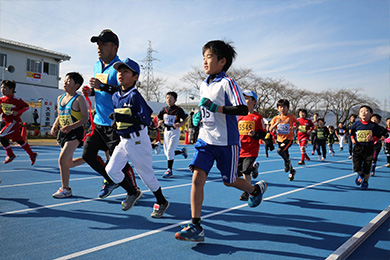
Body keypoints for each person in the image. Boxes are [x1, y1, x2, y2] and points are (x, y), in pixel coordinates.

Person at [174, 40, 267, 242]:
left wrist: (217, 109)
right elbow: (206, 106)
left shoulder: (228, 83)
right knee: (197, 179)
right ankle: (196, 225)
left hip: (227, 142)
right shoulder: (203, 84)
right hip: (205, 140)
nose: (205, 61)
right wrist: (199, 115)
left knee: (230, 181)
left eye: (209, 57)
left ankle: (255, 189)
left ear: (222, 61)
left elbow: (242, 109)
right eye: (203, 57)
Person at [105, 58, 169, 217]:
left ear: (135, 77)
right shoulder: (115, 96)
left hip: (138, 140)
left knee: (146, 176)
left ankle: (162, 201)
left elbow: (146, 119)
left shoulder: (134, 96)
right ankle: (133, 192)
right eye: (119, 71)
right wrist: (116, 122)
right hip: (123, 140)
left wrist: (122, 118)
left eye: (125, 71)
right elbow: (122, 118)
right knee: (111, 170)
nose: (120, 74)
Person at [82, 29, 138, 199]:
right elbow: (101, 91)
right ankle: (109, 180)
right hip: (99, 121)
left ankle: (133, 190)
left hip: (115, 123)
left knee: (118, 161)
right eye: (98, 44)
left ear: (115, 48)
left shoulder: (120, 67)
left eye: (104, 44)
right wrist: (91, 91)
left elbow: (124, 91)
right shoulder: (97, 65)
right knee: (88, 155)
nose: (99, 48)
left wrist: (102, 87)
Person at [50, 72, 88, 198]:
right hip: (64, 133)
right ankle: (90, 158)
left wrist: (71, 126)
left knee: (62, 160)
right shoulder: (60, 97)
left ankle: (65, 189)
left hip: (75, 132)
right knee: (69, 163)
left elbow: (84, 118)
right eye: (65, 80)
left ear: (76, 85)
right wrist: (55, 125)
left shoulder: (79, 99)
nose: (65, 83)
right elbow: (60, 115)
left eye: (68, 81)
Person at [237, 90, 267, 201]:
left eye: (247, 98)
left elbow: (264, 134)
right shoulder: (238, 116)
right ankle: (254, 168)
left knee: (246, 171)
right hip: (239, 149)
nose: (244, 101)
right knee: (234, 175)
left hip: (251, 150)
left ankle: (246, 191)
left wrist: (255, 134)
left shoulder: (258, 118)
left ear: (254, 101)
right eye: (243, 98)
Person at [0, 80, 38, 165]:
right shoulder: (1, 100)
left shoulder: (16, 100)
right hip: (7, 123)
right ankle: (32, 154)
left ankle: (10, 154)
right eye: (1, 87)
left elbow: (26, 107)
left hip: (14, 123)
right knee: (19, 140)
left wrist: (18, 112)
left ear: (11, 89)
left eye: (5, 88)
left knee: (1, 136)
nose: (2, 89)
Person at [157, 91, 188, 178]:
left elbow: (186, 118)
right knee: (167, 153)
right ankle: (182, 151)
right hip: (166, 131)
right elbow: (159, 117)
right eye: (167, 98)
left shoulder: (178, 110)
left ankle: (169, 170)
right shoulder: (164, 109)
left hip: (174, 131)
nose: (168, 100)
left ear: (175, 100)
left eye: (170, 98)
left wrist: (180, 124)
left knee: (170, 151)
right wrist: (160, 122)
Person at [350, 105, 382, 190]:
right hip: (358, 148)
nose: (364, 113)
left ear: (371, 114)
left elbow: (378, 136)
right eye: (361, 111)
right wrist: (353, 139)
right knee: (357, 167)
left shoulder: (373, 126)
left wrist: (373, 138)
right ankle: (360, 174)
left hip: (368, 148)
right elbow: (351, 134)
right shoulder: (356, 124)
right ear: (359, 114)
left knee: (367, 168)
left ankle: (365, 182)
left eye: (366, 111)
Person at [268, 99, 300, 181]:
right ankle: (292, 171)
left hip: (288, 139)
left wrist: (295, 127)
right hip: (279, 139)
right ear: (278, 108)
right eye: (280, 107)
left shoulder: (291, 117)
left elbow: (297, 123)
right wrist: (276, 123)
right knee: (286, 155)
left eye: (284, 107)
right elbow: (270, 129)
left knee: (279, 150)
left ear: (288, 108)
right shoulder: (276, 118)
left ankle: (286, 164)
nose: (282, 108)